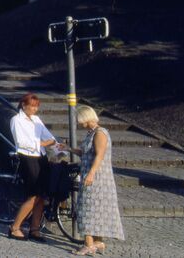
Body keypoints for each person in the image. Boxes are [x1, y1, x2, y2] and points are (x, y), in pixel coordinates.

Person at [8, 93, 63, 241]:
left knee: (42, 196)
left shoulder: (36, 120)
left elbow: (48, 136)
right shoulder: (16, 120)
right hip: (27, 157)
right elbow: (20, 142)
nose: (34, 109)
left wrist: (60, 147)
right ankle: (14, 227)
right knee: (33, 195)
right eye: (31, 106)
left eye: (36, 106)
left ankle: (35, 229)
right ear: (23, 105)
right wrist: (43, 144)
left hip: (41, 157)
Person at [71, 105, 125, 255]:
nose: (79, 123)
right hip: (95, 177)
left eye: (80, 120)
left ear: (86, 118)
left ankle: (88, 244)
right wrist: (69, 149)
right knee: (96, 210)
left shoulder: (100, 133)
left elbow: (99, 155)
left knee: (86, 209)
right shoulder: (91, 133)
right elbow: (85, 153)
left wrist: (91, 173)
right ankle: (98, 242)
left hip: (97, 178)